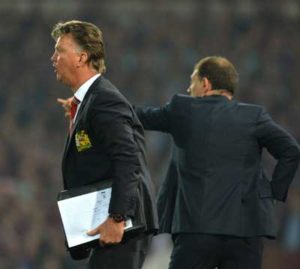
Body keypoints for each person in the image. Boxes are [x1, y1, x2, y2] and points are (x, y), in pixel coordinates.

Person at [134, 56, 300, 269]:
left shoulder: (183, 109)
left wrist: (98, 103)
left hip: (196, 231)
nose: (188, 88)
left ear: (205, 84)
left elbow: (139, 116)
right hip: (245, 232)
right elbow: (291, 151)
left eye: (192, 81)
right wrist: (272, 194)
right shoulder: (254, 116)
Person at [51, 20, 158, 269]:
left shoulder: (103, 100)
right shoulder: (92, 101)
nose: (53, 57)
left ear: (81, 57)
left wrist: (117, 217)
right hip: (114, 225)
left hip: (123, 225)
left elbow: (127, 158)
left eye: (60, 50)